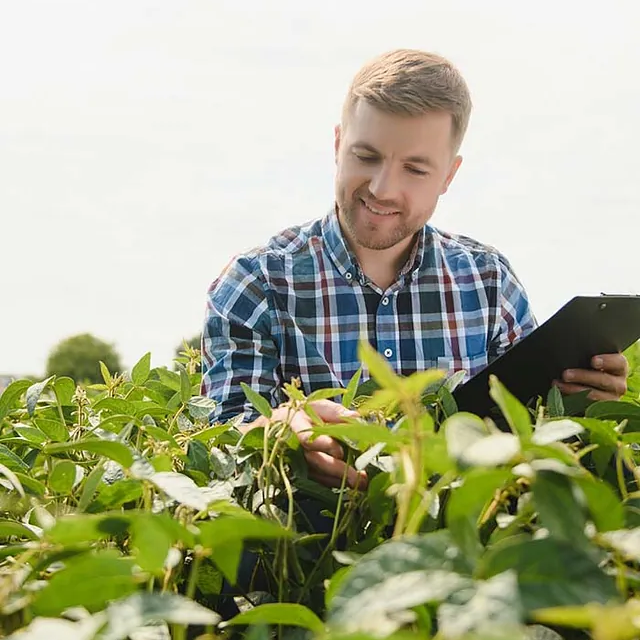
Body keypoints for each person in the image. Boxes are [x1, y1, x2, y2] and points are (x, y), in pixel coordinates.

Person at [201, 49, 628, 490]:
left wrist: (581, 400)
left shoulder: (488, 282)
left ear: (448, 176)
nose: (383, 188)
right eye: (366, 156)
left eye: (415, 169)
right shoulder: (257, 283)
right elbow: (218, 447)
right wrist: (274, 431)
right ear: (336, 145)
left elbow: (530, 433)